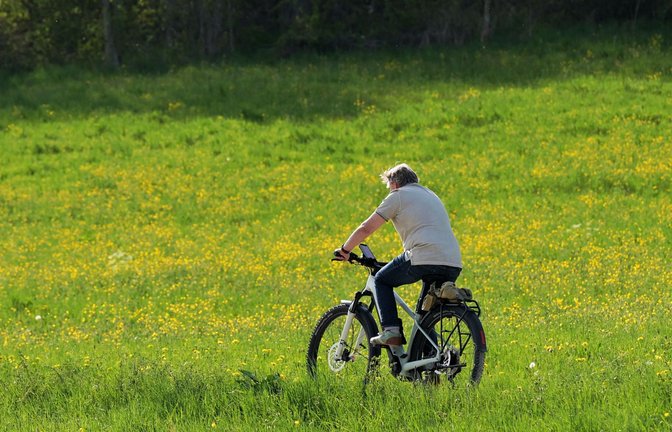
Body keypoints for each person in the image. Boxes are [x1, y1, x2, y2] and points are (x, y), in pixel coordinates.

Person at [333, 163, 462, 347]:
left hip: (422, 256)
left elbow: (366, 228)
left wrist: (345, 250)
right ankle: (429, 366)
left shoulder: (399, 195)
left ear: (394, 183)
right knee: (424, 318)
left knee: (381, 280)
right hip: (452, 261)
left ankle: (391, 331)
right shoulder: (431, 195)